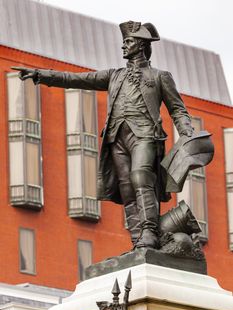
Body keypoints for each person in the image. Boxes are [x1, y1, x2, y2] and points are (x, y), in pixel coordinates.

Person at [12, 21, 193, 249]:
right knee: (126, 186)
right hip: (116, 137)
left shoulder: (160, 76)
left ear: (140, 44)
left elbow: (177, 108)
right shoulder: (113, 76)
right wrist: (41, 74)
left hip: (145, 135)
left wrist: (186, 131)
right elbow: (76, 79)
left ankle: (150, 231)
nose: (123, 46)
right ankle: (138, 239)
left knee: (141, 176)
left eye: (127, 42)